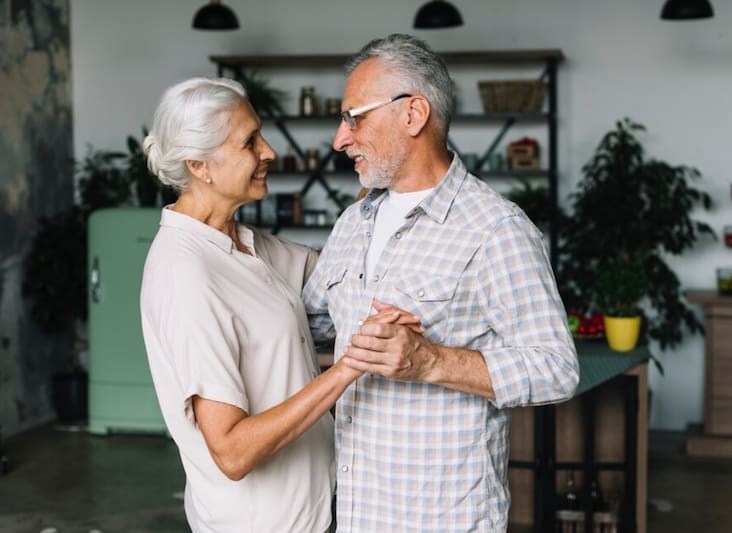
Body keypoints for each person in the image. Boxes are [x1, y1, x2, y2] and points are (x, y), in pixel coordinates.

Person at [303, 34, 580, 532]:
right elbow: (318, 322)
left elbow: (555, 368)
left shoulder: (495, 229)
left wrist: (429, 359)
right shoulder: (352, 221)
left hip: (441, 518)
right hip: (355, 513)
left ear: (413, 115)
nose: (339, 139)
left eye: (353, 116)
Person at [138, 77, 420, 533]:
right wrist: (348, 368)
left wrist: (376, 180)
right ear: (199, 165)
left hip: (317, 510)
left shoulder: (246, 245)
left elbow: (339, 266)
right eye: (250, 142)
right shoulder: (186, 272)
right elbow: (232, 451)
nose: (268, 152)